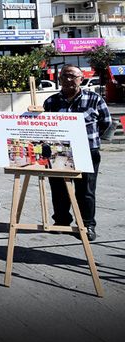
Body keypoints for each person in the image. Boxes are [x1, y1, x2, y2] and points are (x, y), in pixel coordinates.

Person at [44, 64, 112, 241]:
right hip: (59, 152)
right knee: (59, 188)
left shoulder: (94, 99)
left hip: (87, 152)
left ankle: (87, 225)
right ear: (59, 80)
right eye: (65, 76)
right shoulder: (51, 102)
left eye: (73, 76)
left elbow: (107, 123)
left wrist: (92, 140)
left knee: (86, 191)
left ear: (81, 79)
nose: (68, 79)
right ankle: (61, 221)